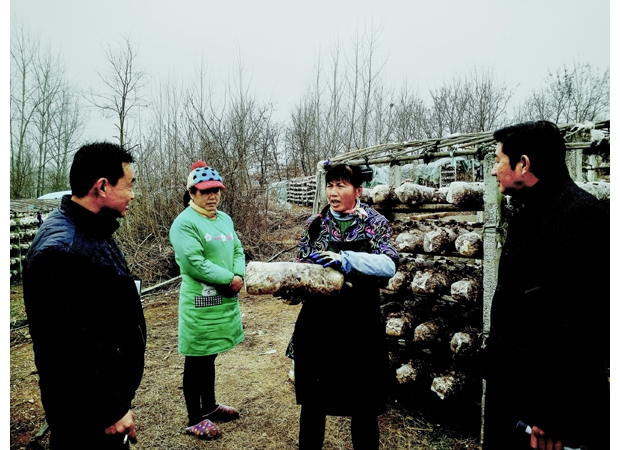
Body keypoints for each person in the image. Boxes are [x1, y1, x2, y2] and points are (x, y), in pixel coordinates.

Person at [481, 121, 610, 449]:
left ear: (523, 164)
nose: (495, 171)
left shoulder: (581, 219)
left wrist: (554, 415)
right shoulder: (529, 212)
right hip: (516, 400)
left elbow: (584, 327)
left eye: (498, 160)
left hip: (546, 417)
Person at [23, 142, 147, 449]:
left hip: (97, 413)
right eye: (129, 185)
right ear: (102, 187)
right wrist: (111, 410)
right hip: (89, 421)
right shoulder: (63, 252)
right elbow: (67, 353)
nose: (133, 194)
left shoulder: (92, 231)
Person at [288, 162, 399, 450]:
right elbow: (300, 267)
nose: (333, 192)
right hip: (318, 325)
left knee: (363, 405)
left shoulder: (374, 223)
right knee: (314, 403)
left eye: (341, 185)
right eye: (330, 185)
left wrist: (346, 260)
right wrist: (290, 289)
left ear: (358, 190)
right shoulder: (316, 224)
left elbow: (388, 264)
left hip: (359, 325)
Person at [169, 161, 245, 440]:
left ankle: (210, 406)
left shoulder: (224, 219)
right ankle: (194, 418)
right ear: (192, 193)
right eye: (205, 191)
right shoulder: (185, 223)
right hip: (200, 303)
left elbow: (237, 248)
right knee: (196, 358)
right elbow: (193, 263)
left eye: (216, 190)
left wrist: (238, 273)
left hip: (223, 300)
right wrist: (230, 279)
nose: (212, 196)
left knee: (209, 355)